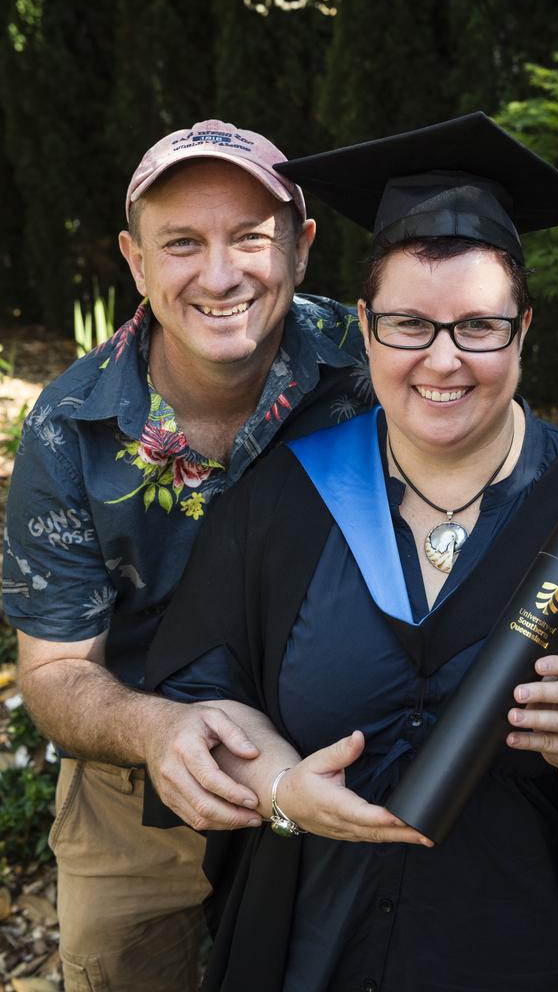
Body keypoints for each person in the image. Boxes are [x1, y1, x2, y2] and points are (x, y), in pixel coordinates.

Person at [146, 113, 558, 992]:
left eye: (479, 327)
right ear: (365, 326)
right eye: (409, 325)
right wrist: (279, 787)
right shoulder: (286, 499)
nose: (443, 361)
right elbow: (199, 704)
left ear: (524, 327)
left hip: (542, 955)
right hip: (316, 953)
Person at [2, 119, 372, 992]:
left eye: (249, 238)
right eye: (181, 243)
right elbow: (54, 676)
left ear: (302, 246)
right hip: (138, 789)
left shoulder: (369, 362)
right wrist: (158, 730)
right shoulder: (69, 429)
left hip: (344, 763)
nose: (219, 274)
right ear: (135, 261)